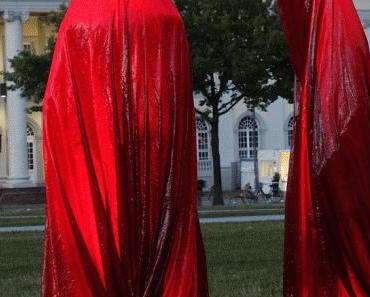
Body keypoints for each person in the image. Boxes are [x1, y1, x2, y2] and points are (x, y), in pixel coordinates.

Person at [40, 0, 209, 296]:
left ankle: (103, 273)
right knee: (159, 177)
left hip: (89, 23)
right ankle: (158, 273)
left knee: (92, 161)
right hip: (156, 20)